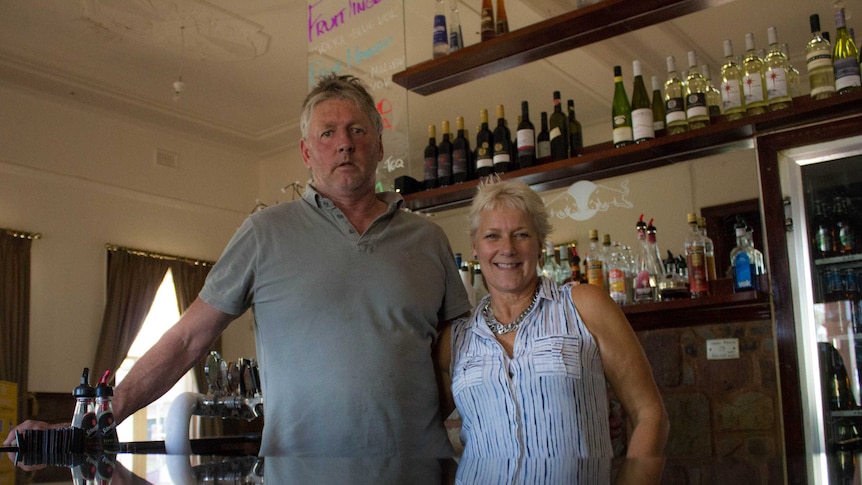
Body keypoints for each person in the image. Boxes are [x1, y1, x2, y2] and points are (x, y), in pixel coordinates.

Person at [5, 74, 472, 458]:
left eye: (357, 130)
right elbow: (188, 338)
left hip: (419, 468)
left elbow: (460, 356)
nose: (344, 145)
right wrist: (97, 417)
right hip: (299, 470)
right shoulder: (264, 231)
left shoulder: (426, 238)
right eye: (327, 133)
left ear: (378, 143)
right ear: (307, 153)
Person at [437, 179, 668, 482]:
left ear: (540, 243)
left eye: (521, 235)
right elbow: (417, 431)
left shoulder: (585, 306)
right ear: (475, 247)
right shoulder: (454, 341)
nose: (507, 249)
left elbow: (650, 414)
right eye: (492, 236)